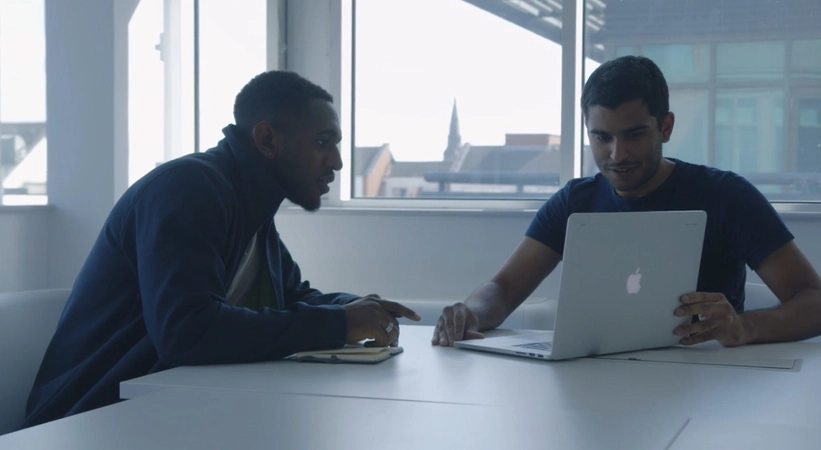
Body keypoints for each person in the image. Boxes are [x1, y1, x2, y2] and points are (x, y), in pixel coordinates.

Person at [23, 70, 420, 428]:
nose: (336, 162)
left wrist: (359, 308)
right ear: (267, 140)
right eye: (322, 142)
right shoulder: (189, 189)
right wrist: (339, 323)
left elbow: (292, 298)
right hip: (87, 420)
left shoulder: (249, 205)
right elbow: (186, 332)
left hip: (166, 409)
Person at [432, 55, 821, 348]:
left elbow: (814, 300)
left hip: (706, 381)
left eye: (633, 135)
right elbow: (502, 290)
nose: (617, 154)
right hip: (594, 381)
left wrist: (744, 326)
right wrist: (470, 312)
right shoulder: (574, 202)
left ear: (665, 127)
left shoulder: (726, 196)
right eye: (601, 137)